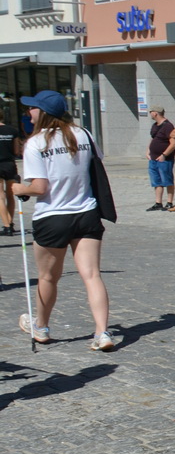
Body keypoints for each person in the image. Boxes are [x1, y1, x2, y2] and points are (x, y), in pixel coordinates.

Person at [14, 90, 116, 351]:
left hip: (53, 216)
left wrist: (19, 189)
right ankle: (102, 332)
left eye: (33, 108)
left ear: (44, 113)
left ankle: (42, 327)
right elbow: (95, 165)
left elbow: (39, 187)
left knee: (48, 277)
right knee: (92, 275)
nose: (29, 112)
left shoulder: (36, 143)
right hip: (86, 212)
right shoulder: (84, 134)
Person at [144, 108, 175, 213]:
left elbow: (173, 143)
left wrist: (164, 155)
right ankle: (158, 203)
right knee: (156, 181)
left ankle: (170, 202)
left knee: (167, 180)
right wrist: (148, 150)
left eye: (151, 112)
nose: (150, 114)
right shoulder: (154, 125)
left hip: (164, 159)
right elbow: (153, 139)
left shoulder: (168, 126)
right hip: (153, 158)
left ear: (155, 113)